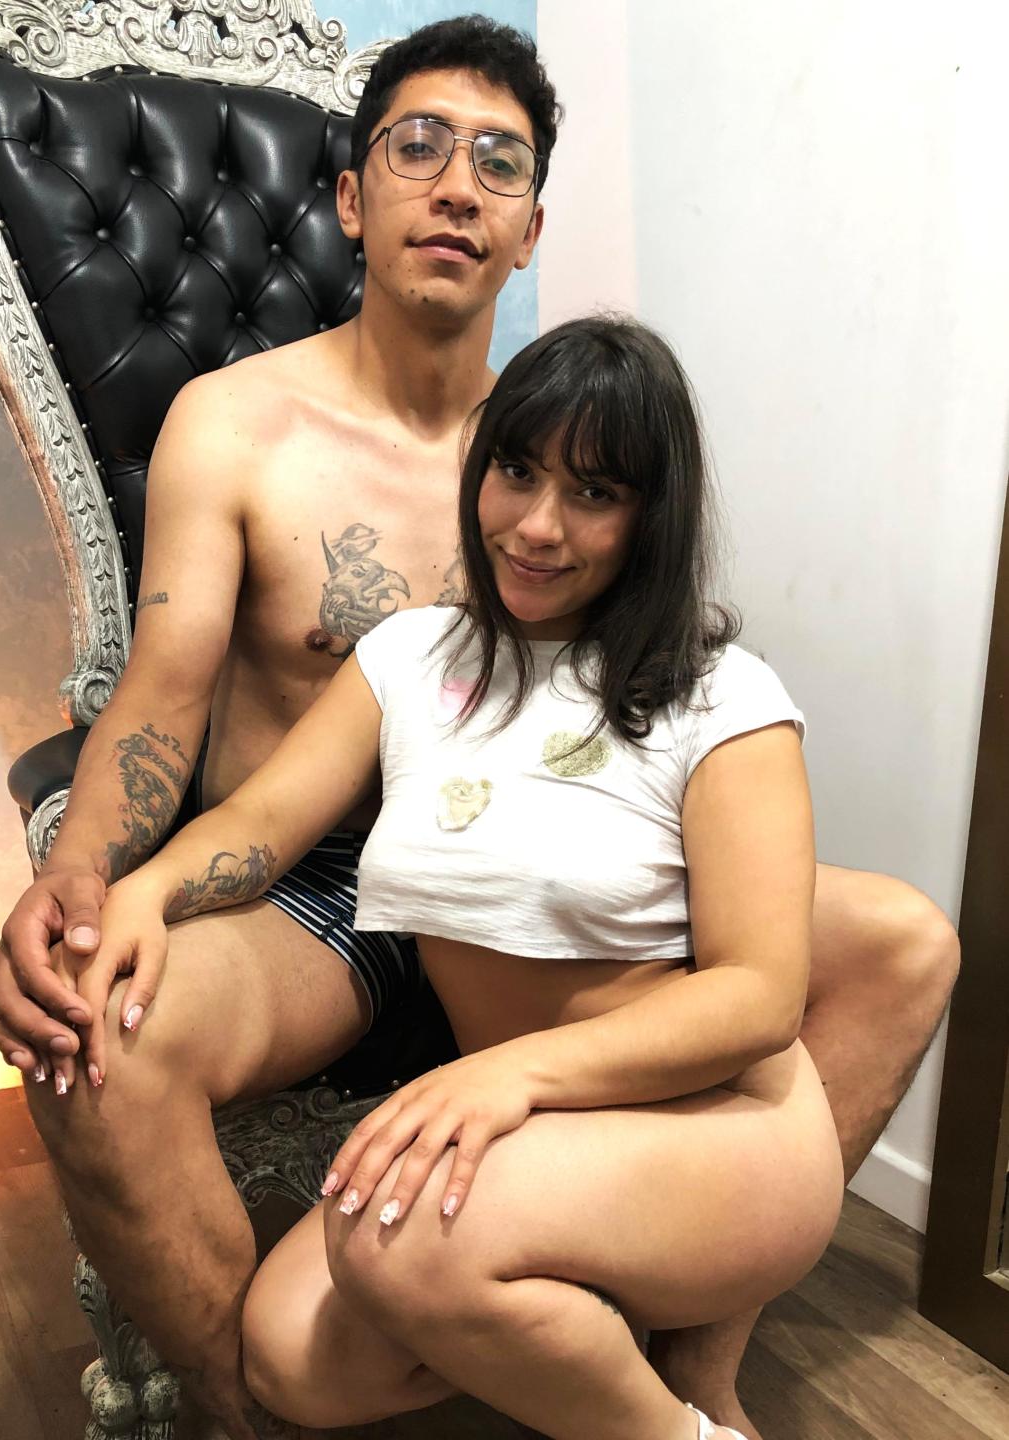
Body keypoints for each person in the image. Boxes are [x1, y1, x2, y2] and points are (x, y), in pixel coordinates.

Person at [0, 16, 958, 1440]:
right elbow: (162, 696)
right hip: (323, 888)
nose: (455, 186)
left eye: (498, 162)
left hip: (554, 854)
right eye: (418, 147)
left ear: (529, 227)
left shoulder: (557, 445)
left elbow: (664, 696)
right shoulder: (238, 425)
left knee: (907, 943)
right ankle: (236, 1409)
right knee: (96, 1042)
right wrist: (84, 884)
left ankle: (692, 1363)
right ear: (350, 196)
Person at [74, 314, 845, 1440]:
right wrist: (144, 891)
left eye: (594, 493)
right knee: (289, 1359)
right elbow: (263, 821)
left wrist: (507, 1076)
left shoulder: (723, 698)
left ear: (654, 515)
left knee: (396, 1246)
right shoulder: (408, 656)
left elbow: (759, 996)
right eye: (517, 472)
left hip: (712, 1123)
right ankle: (554, 1301)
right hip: (529, 1129)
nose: (537, 526)